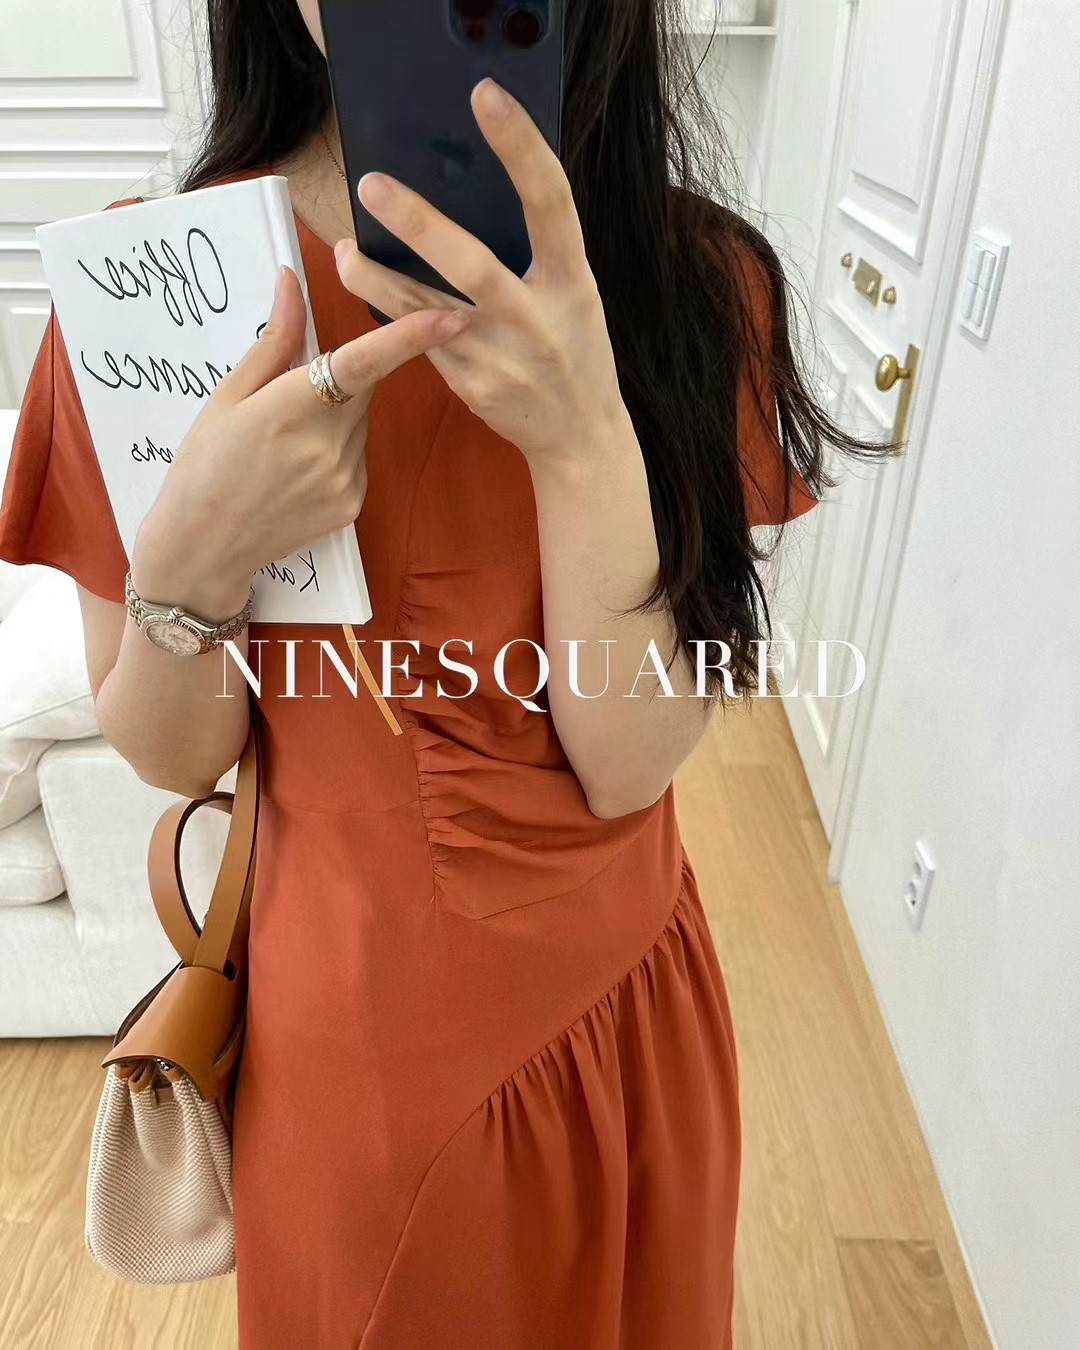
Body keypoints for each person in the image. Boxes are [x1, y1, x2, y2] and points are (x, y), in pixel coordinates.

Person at [0, 2, 888, 1346]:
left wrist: (583, 436)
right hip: (354, 1057)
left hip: (624, 1011)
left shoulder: (695, 284)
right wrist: (192, 556)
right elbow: (174, 751)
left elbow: (628, 763)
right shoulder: (161, 284)